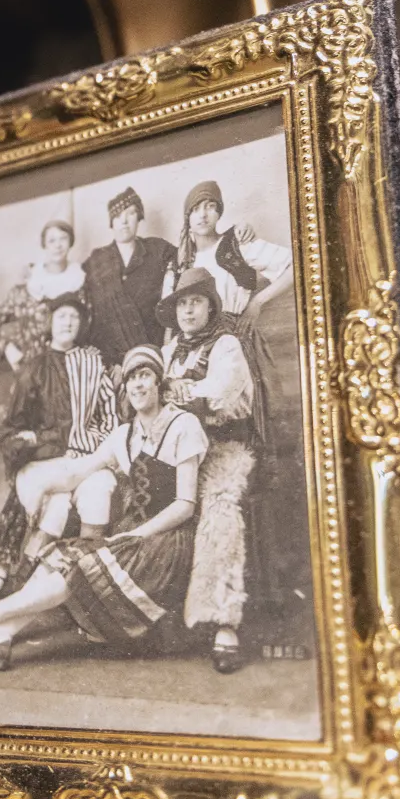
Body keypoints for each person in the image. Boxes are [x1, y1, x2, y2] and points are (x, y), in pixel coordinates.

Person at [0, 346, 207, 670]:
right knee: (60, 559)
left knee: (79, 568)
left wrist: (136, 535)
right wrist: (43, 487)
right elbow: (78, 471)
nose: (138, 385)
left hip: (166, 544)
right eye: (131, 378)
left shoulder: (183, 425)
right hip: (132, 536)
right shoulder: (124, 435)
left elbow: (185, 505)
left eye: (145, 375)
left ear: (159, 382)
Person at [0, 293, 117, 599]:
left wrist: (94, 441)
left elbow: (108, 413)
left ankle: (84, 580)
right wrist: (32, 441)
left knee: (99, 490)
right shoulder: (36, 367)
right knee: (54, 504)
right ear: (51, 322)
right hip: (48, 459)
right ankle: (18, 575)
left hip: (86, 458)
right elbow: (14, 425)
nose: (68, 322)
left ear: (81, 324)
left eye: (74, 317)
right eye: (61, 316)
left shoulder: (92, 362)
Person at [158, 267, 257, 674]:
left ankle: (223, 623)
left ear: (210, 307)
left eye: (195, 302)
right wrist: (168, 389)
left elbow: (222, 392)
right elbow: (153, 389)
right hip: (180, 452)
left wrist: (180, 390)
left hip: (221, 447)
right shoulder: (170, 351)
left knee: (219, 508)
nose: (188, 311)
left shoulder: (226, 345)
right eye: (182, 303)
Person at [173, 180, 292, 327]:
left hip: (233, 332)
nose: (203, 215)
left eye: (210, 207)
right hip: (195, 338)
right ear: (188, 217)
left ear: (218, 213)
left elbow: (295, 267)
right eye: (196, 209)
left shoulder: (235, 244)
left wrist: (257, 302)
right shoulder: (183, 260)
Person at [81, 186, 176, 370]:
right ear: (111, 222)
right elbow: (81, 308)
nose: (124, 221)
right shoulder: (96, 261)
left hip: (154, 355)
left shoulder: (158, 251)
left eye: (131, 213)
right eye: (117, 216)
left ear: (139, 217)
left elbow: (189, 261)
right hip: (110, 363)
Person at [0, 219, 85, 372]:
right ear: (44, 245)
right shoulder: (26, 289)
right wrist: (8, 348)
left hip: (71, 371)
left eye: (63, 239)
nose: (58, 245)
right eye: (52, 240)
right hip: (31, 372)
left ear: (71, 242)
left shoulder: (80, 284)